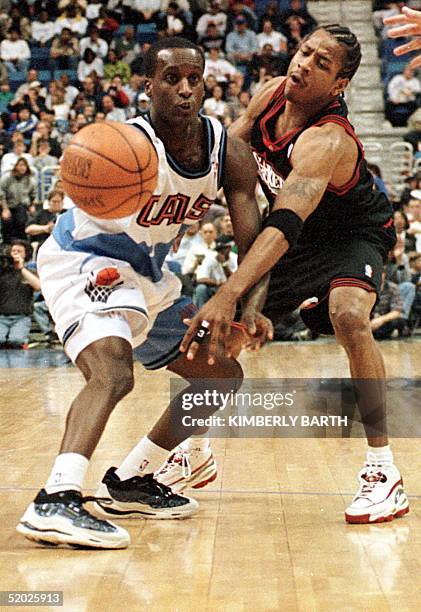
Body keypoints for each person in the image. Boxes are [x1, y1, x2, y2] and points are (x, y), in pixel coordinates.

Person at [16, 37, 270, 550]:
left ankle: (132, 480)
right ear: (147, 86)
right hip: (86, 260)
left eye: (194, 79)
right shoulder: (122, 143)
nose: (184, 90)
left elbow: (257, 242)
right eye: (171, 79)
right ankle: (56, 499)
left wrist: (252, 308)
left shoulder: (227, 151)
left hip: (149, 276)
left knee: (220, 375)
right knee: (111, 371)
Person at [180, 24, 409, 524]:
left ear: (339, 85)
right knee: (217, 341)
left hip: (352, 234)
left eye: (322, 63)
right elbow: (221, 158)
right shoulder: (271, 96)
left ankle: (382, 471)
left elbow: (282, 225)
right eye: (305, 51)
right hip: (295, 237)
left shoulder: (327, 139)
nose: (304, 64)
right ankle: (193, 455)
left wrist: (231, 289)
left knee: (348, 315)